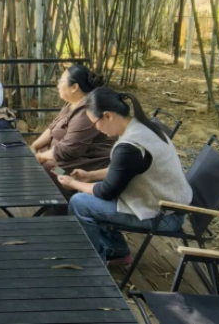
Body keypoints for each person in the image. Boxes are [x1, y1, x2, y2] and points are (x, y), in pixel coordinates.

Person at [57, 87, 193, 266]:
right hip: (167, 205)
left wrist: (74, 184)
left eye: (94, 123)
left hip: (163, 215)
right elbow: (123, 170)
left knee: (80, 203)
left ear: (108, 116)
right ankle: (117, 250)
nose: (96, 128)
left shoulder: (130, 146)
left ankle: (94, 264)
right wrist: (90, 175)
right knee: (88, 193)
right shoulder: (143, 126)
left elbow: (106, 192)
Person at [30, 66, 115, 191]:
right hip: (58, 156)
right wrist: (34, 146)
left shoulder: (87, 110)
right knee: (36, 160)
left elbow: (68, 150)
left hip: (79, 163)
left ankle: (67, 196)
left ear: (74, 87)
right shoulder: (70, 103)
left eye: (61, 81)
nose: (58, 85)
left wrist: (41, 157)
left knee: (50, 168)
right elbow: (52, 128)